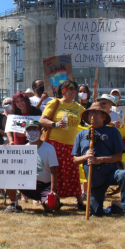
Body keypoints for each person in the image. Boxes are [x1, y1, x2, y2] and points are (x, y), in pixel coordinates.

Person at [72, 102, 125, 222]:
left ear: (104, 116)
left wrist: (99, 160)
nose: (93, 115)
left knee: (124, 174)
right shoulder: (81, 134)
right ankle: (115, 208)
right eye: (91, 112)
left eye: (96, 112)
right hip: (94, 179)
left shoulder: (113, 132)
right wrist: (85, 157)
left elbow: (118, 157)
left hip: (111, 173)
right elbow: (75, 160)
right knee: (96, 213)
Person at [39, 80, 86, 209]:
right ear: (64, 90)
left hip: (72, 145)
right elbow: (42, 120)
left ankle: (80, 202)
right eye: (71, 88)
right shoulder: (55, 103)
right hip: (55, 144)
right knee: (56, 172)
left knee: (73, 172)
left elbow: (89, 119)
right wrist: (55, 124)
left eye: (76, 89)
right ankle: (55, 198)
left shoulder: (79, 107)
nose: (74, 91)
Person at [5, 120, 60, 213]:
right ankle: (14, 204)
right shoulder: (23, 149)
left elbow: (54, 171)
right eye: (29, 129)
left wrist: (52, 191)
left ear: (41, 131)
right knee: (9, 176)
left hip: (45, 186)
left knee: (53, 206)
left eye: (35, 129)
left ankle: (47, 203)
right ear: (25, 132)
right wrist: (6, 152)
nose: (32, 131)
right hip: (27, 185)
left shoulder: (49, 148)